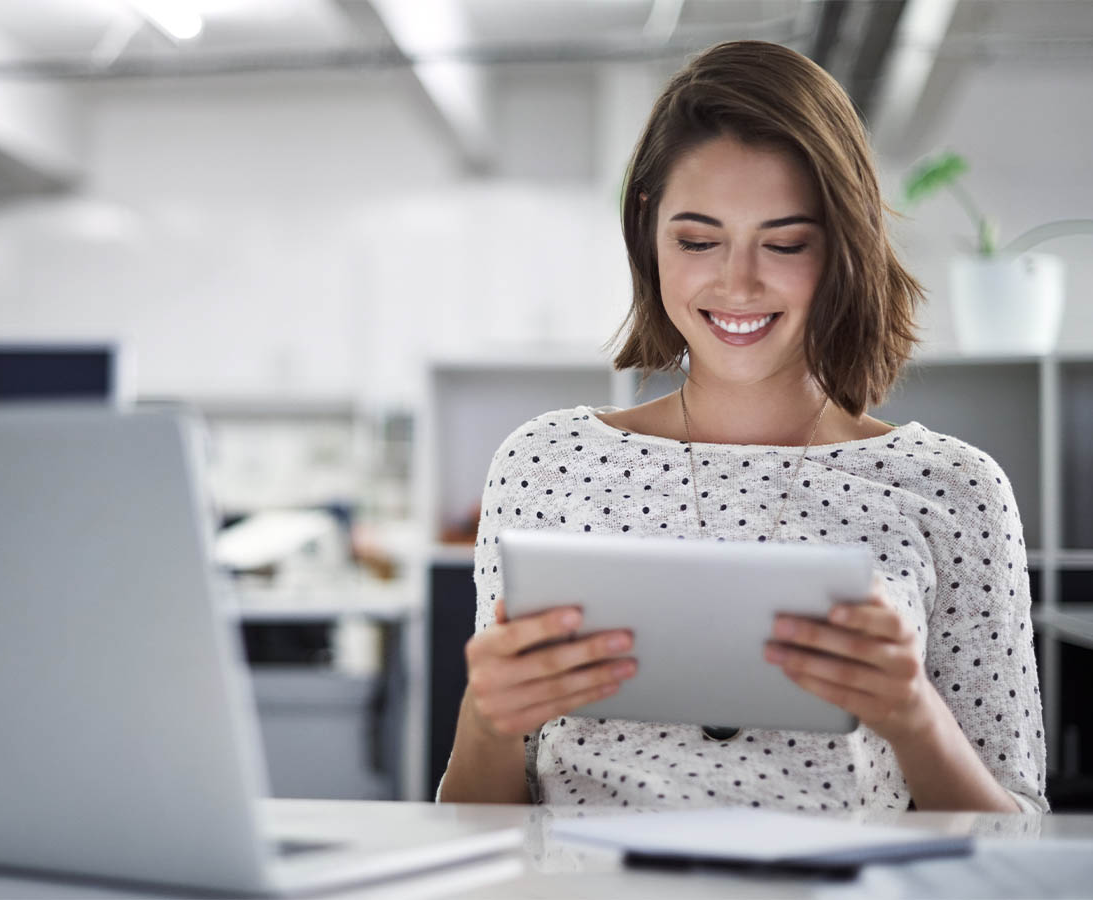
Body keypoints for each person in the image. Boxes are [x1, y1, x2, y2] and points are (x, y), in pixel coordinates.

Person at [437, 39, 1048, 814]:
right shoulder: (545, 462)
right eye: (697, 241)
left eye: (785, 243)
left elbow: (1018, 840)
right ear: (649, 235)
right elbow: (476, 829)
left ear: (843, 250)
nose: (738, 283)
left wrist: (914, 718)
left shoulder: (955, 488)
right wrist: (488, 723)